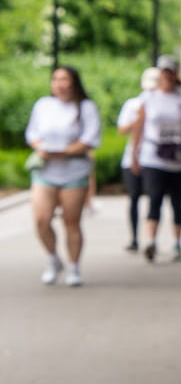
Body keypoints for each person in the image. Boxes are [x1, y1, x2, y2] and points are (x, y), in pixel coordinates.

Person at [26, 65, 102, 288]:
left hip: (73, 171)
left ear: (74, 82)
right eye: (55, 79)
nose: (59, 84)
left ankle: (74, 266)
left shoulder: (86, 107)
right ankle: (53, 259)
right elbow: (32, 133)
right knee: (41, 219)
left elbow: (90, 139)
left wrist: (63, 152)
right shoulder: (43, 105)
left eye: (64, 79)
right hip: (46, 171)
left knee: (71, 221)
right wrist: (41, 148)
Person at [130, 55, 181, 263]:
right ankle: (151, 241)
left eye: (170, 71)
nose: (167, 75)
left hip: (179, 154)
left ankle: (177, 242)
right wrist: (134, 154)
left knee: (177, 201)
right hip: (154, 154)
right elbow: (139, 127)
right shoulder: (148, 97)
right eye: (164, 71)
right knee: (154, 198)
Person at [116, 68, 160, 252]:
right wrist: (140, 120)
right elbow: (122, 129)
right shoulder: (133, 104)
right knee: (133, 197)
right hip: (132, 157)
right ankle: (134, 237)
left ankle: (151, 238)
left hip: (154, 158)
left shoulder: (162, 105)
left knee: (154, 198)